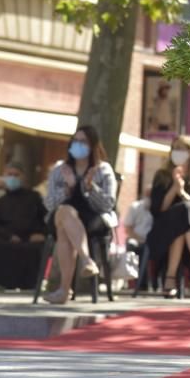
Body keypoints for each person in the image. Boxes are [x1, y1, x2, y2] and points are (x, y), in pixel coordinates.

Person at [40, 126, 118, 304]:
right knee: (65, 213)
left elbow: (108, 204)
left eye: (83, 142)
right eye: (75, 141)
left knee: (64, 230)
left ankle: (64, 291)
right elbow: (49, 203)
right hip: (61, 214)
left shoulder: (103, 169)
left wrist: (91, 188)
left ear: (93, 146)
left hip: (92, 218)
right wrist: (67, 189)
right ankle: (86, 260)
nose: (78, 145)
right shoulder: (60, 169)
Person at [146, 135, 190, 297]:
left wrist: (183, 193)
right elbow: (157, 210)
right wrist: (174, 189)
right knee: (182, 217)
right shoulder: (162, 175)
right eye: (174, 149)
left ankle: (169, 279)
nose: (176, 152)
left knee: (184, 218)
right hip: (162, 234)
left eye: (181, 149)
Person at [0, 162, 48, 290]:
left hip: (30, 238)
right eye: (10, 174)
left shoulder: (34, 197)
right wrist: (9, 236)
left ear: (23, 177)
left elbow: (45, 220)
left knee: (34, 249)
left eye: (16, 175)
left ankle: (29, 285)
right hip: (7, 238)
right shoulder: (0, 201)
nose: (13, 177)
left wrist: (42, 234)